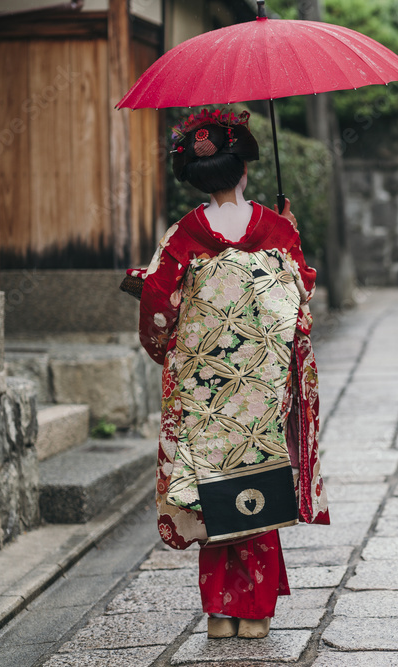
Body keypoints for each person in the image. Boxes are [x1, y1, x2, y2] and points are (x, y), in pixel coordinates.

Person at [135, 108, 329, 640]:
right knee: (257, 479)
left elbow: (158, 305)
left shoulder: (184, 235)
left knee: (211, 486)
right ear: (244, 169)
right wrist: (289, 232)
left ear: (194, 177)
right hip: (261, 387)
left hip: (204, 386)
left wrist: (167, 352)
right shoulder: (273, 228)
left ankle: (220, 613)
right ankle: (257, 613)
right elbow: (302, 295)